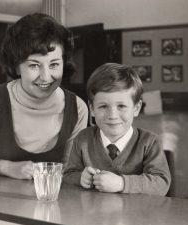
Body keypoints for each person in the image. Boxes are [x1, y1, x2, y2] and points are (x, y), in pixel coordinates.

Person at [0, 13, 88, 179]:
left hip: (52, 203)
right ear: (16, 67)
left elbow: (69, 173)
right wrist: (3, 166)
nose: (45, 76)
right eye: (34, 65)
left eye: (54, 64)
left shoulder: (77, 108)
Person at [63, 63, 171, 196]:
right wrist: (81, 178)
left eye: (121, 106)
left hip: (137, 215)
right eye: (103, 106)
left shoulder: (150, 142)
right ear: (92, 109)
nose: (112, 115)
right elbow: (68, 175)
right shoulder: (83, 138)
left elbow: (161, 183)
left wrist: (122, 183)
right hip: (92, 215)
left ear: (136, 108)